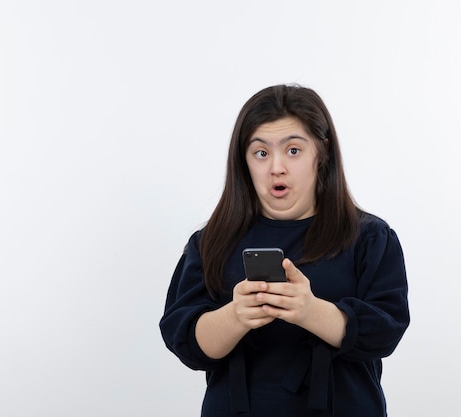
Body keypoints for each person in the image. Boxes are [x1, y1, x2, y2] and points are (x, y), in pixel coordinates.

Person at [160, 84, 410, 416]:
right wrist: (237, 316)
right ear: (244, 161)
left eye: (293, 150)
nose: (277, 167)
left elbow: (386, 331)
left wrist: (310, 312)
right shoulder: (211, 242)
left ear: (321, 152)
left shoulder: (368, 237)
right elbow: (187, 342)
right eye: (261, 153)